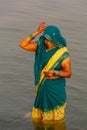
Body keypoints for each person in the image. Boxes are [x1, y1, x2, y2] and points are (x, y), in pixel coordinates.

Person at [19, 22, 72, 121]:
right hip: (42, 86)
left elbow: (68, 73)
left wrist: (55, 73)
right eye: (46, 39)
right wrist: (37, 32)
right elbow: (22, 44)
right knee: (40, 117)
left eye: (50, 40)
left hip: (55, 89)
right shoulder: (41, 47)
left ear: (55, 39)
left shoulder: (63, 54)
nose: (48, 43)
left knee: (57, 119)